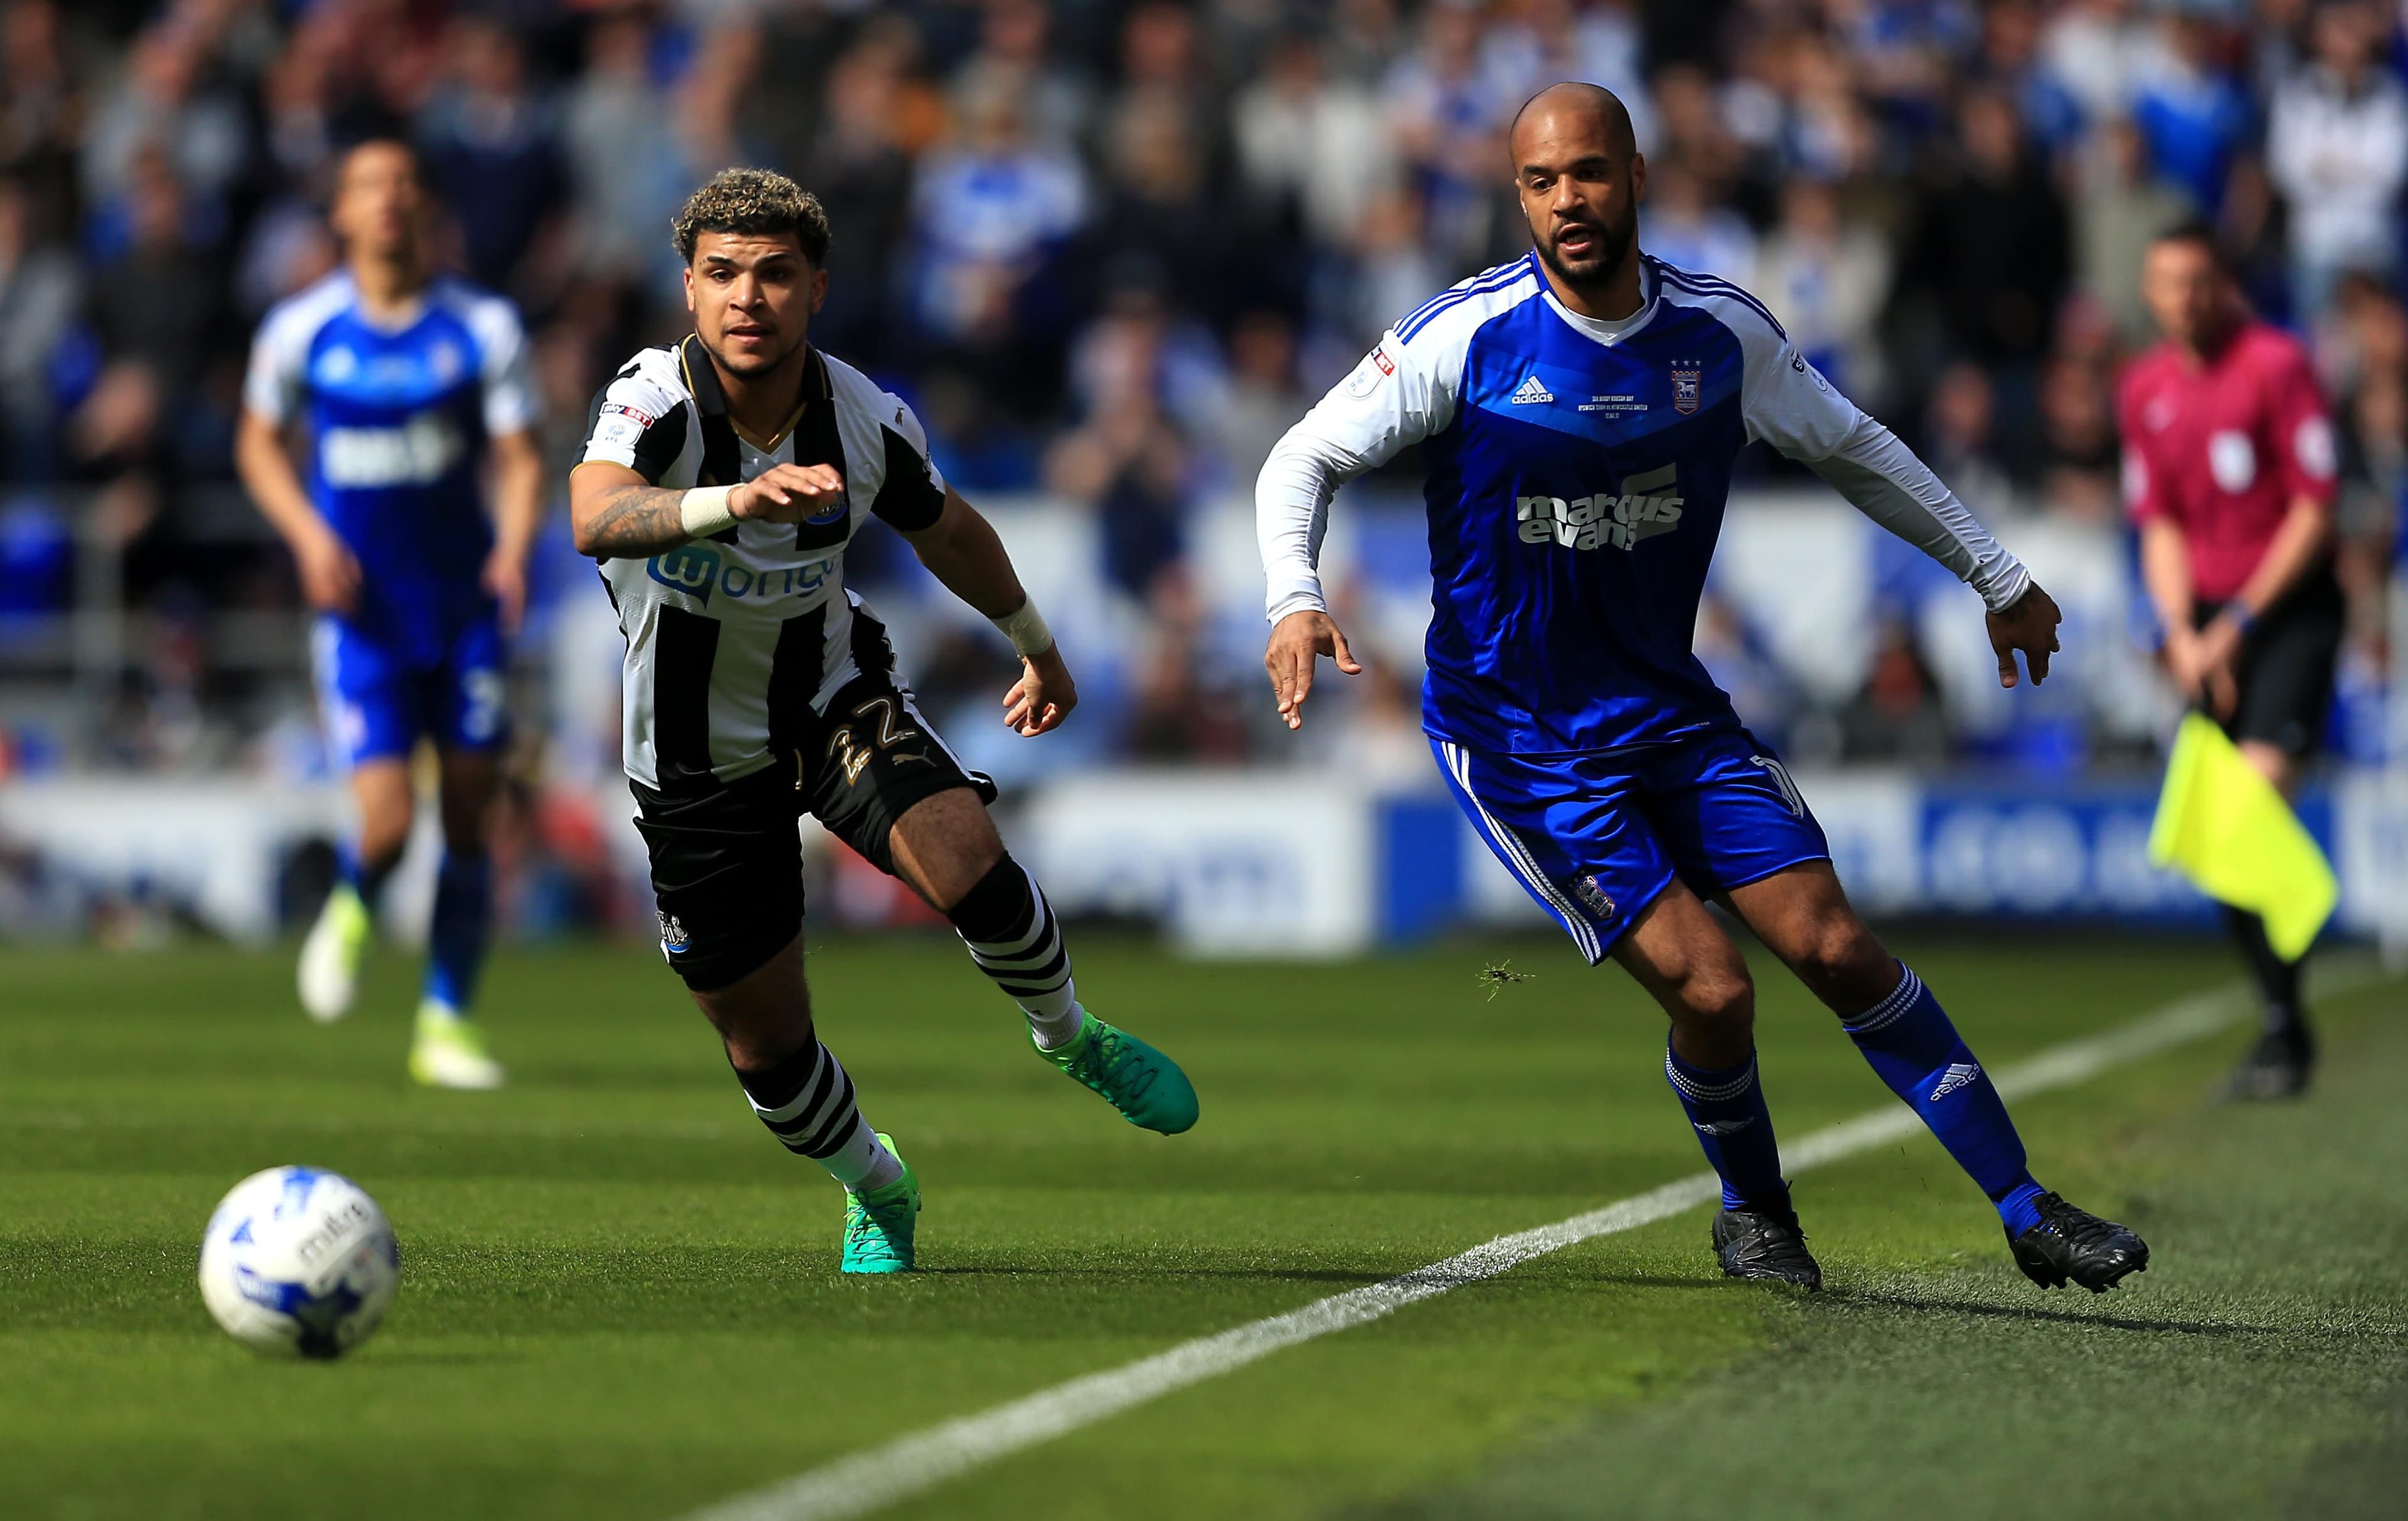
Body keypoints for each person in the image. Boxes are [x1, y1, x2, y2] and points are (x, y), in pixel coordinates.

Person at [1257, 83, 2147, 1294]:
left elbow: (1853, 445)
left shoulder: (1720, 336)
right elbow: (1301, 454)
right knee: (1716, 990)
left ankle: (2028, 1206)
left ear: (1635, 173)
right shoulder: (1465, 337)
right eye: (1538, 181)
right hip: (1522, 741)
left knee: (1836, 945)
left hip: (1671, 715)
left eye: (1586, 173)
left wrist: (1998, 576)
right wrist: (1293, 597)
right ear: (1518, 194)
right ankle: (1755, 1211)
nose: (1565, 200)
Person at [568, 169, 1198, 1275]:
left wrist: (1037, 644)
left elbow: (947, 529)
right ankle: (876, 1181)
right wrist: (731, 503)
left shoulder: (863, 418)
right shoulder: (651, 397)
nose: (745, 299)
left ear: (817, 288)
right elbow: (593, 511)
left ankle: (1070, 1034)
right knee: (763, 1045)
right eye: (721, 275)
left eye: (772, 275)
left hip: (828, 700)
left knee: (969, 862)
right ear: (689, 290)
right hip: (691, 761)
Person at [237, 140, 544, 1090]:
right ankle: (353, 900)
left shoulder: (482, 327)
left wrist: (513, 546)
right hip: (361, 612)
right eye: (370, 186)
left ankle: (445, 1020)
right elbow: (258, 443)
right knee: (387, 822)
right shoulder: (303, 329)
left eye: (405, 186)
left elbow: (525, 455)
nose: (389, 202)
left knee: (467, 817)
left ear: (425, 209)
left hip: (462, 607)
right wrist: (307, 536)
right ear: (340, 211)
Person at [2121, 223, 2343, 1099]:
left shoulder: (2277, 365)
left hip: (2286, 613)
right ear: (2149, 292)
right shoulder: (2144, 389)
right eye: (2169, 283)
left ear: (2225, 285)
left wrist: (2240, 621)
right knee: (2213, 838)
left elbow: (2315, 509)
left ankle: (2296, 980)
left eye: (2200, 282)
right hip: (2210, 621)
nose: (2186, 299)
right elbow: (2161, 521)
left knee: (2247, 802)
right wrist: (2180, 630)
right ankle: (2284, 1025)